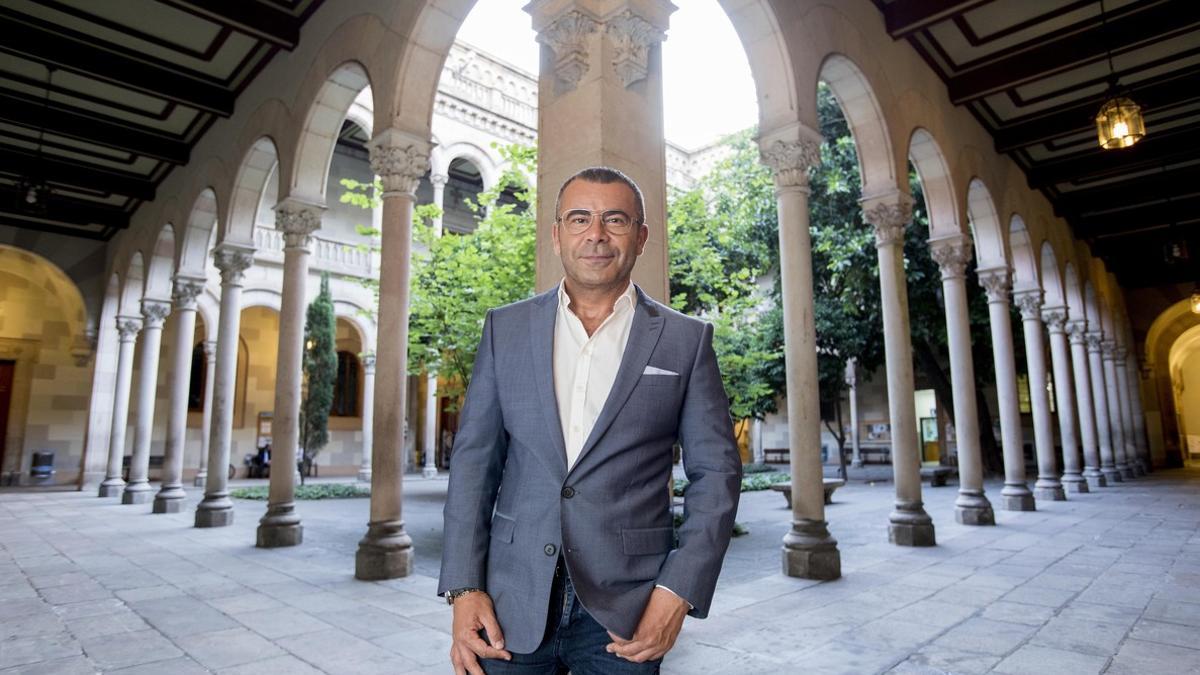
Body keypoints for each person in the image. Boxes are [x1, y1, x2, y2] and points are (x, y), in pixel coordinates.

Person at [438, 167, 742, 674]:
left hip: (628, 611)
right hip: (509, 600)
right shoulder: (504, 329)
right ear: (557, 234)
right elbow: (473, 467)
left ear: (641, 237)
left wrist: (677, 592)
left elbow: (717, 475)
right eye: (579, 218)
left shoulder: (686, 340)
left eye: (615, 220)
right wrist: (464, 589)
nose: (596, 234)